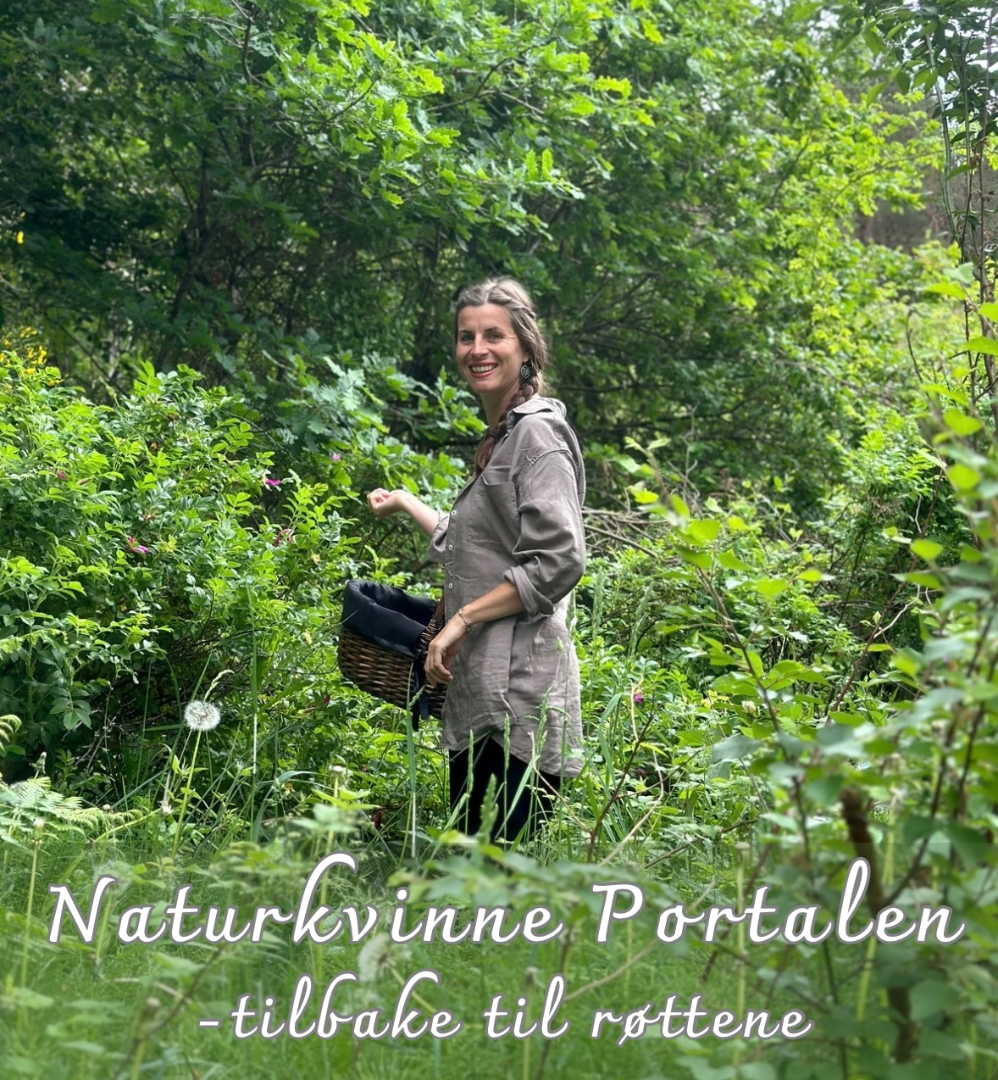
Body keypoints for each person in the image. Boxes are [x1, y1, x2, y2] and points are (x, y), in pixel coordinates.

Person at [367, 278, 586, 842]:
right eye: (467, 337)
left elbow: (560, 560)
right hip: (480, 687)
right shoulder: (503, 438)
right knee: (469, 861)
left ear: (525, 347)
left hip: (520, 695)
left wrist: (461, 620)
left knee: (502, 866)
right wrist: (406, 502)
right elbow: (477, 547)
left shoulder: (538, 437)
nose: (477, 349)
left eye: (494, 335)